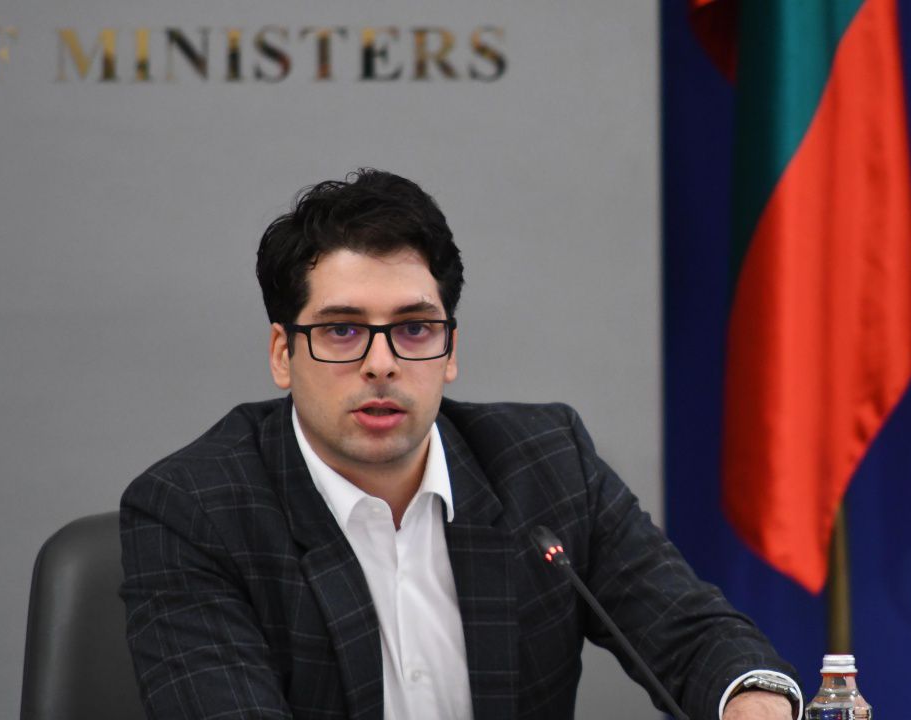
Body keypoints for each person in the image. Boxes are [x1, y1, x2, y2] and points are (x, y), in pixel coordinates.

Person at [119, 169, 803, 720]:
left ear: (449, 352)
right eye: (342, 331)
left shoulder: (546, 464)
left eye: (414, 329)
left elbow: (692, 635)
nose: (382, 364)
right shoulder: (195, 511)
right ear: (282, 353)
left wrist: (753, 700)